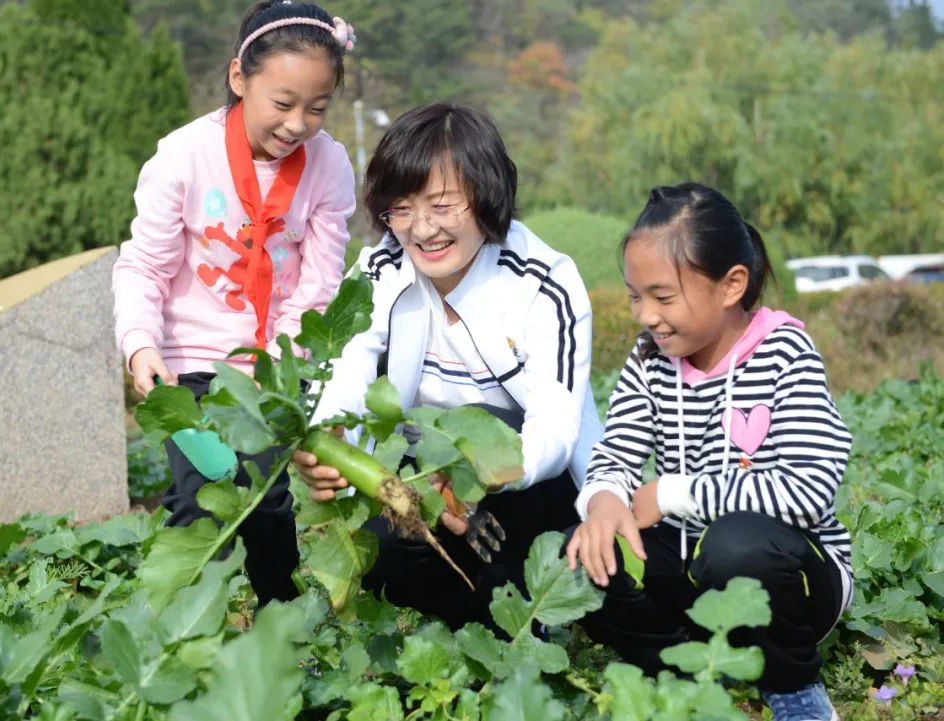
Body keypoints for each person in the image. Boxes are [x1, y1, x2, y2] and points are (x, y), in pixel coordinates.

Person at [293, 103, 604, 631]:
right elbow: (345, 377)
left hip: (529, 486)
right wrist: (330, 445)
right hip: (425, 481)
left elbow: (553, 430)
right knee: (389, 543)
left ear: (485, 195)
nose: (422, 230)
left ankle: (529, 617)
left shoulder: (544, 282)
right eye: (402, 209)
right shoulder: (378, 272)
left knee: (488, 423)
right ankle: (456, 625)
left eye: (442, 205)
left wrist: (476, 476)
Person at [567, 183, 851, 721]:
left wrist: (672, 493)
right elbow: (618, 449)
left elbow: (809, 490)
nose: (646, 315)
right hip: (691, 570)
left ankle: (795, 694)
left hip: (793, 579)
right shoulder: (651, 358)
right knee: (582, 554)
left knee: (734, 544)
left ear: (731, 285)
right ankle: (686, 670)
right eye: (635, 296)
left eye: (662, 296)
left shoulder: (786, 353)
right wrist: (603, 498)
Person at [112, 0, 357, 605]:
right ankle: (180, 625)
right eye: (283, 103)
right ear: (238, 78)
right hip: (190, 359)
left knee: (269, 498)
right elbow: (144, 264)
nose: (299, 123)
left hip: (274, 367)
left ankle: (285, 626)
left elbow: (319, 284)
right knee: (203, 496)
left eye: (318, 108)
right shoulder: (183, 157)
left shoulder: (329, 165)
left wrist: (279, 369)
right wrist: (139, 343)